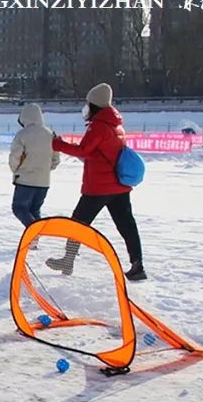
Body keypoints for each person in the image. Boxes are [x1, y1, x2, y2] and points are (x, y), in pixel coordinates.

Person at [49, 83, 146, 281]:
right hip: (119, 186)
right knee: (126, 224)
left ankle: (68, 261)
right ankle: (138, 265)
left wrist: (57, 143)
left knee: (78, 223)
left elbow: (83, 150)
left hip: (99, 187)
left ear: (94, 105)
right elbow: (97, 152)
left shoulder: (99, 126)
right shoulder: (116, 125)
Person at [9, 103, 60, 247]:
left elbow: (15, 156)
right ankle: (34, 239)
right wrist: (46, 170)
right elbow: (56, 159)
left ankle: (34, 231)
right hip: (44, 181)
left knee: (19, 208)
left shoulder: (22, 134)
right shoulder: (50, 134)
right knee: (34, 210)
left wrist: (16, 170)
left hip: (25, 180)